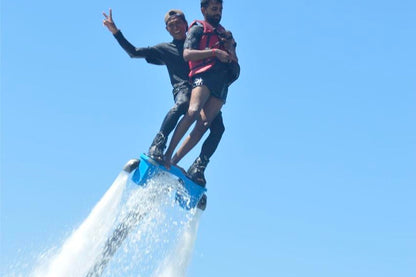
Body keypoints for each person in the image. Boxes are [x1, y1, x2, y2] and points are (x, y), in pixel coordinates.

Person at [102, 8, 225, 185]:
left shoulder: (198, 43)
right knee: (183, 104)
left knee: (219, 128)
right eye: (171, 25)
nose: (176, 28)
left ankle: (199, 166)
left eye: (179, 23)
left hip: (203, 91)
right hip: (183, 89)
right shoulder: (165, 49)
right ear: (167, 29)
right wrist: (116, 32)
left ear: (186, 24)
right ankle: (158, 144)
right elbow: (134, 52)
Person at [163, 0, 240, 184]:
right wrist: (214, 52)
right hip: (203, 76)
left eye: (220, 9)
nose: (218, 12)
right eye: (214, 9)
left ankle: (173, 163)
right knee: (193, 111)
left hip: (221, 84)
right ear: (203, 9)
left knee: (204, 124)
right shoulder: (198, 29)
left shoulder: (226, 35)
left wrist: (230, 49)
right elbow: (187, 54)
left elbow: (236, 67)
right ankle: (166, 155)